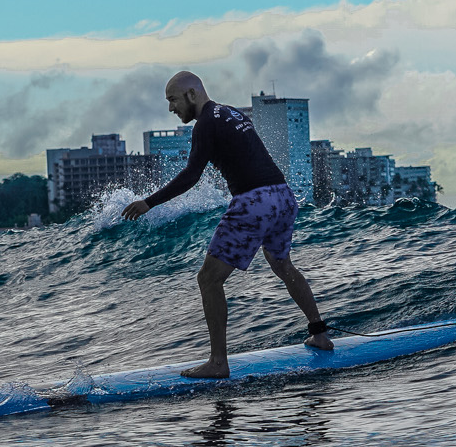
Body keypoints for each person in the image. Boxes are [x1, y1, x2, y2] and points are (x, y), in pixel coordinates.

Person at [120, 72, 331, 379]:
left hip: (254, 202)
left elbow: (191, 175)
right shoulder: (230, 112)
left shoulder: (206, 122)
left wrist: (148, 202)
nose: (171, 109)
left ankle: (218, 362)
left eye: (173, 100)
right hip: (282, 196)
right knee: (283, 265)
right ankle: (319, 334)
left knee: (208, 279)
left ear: (192, 94)